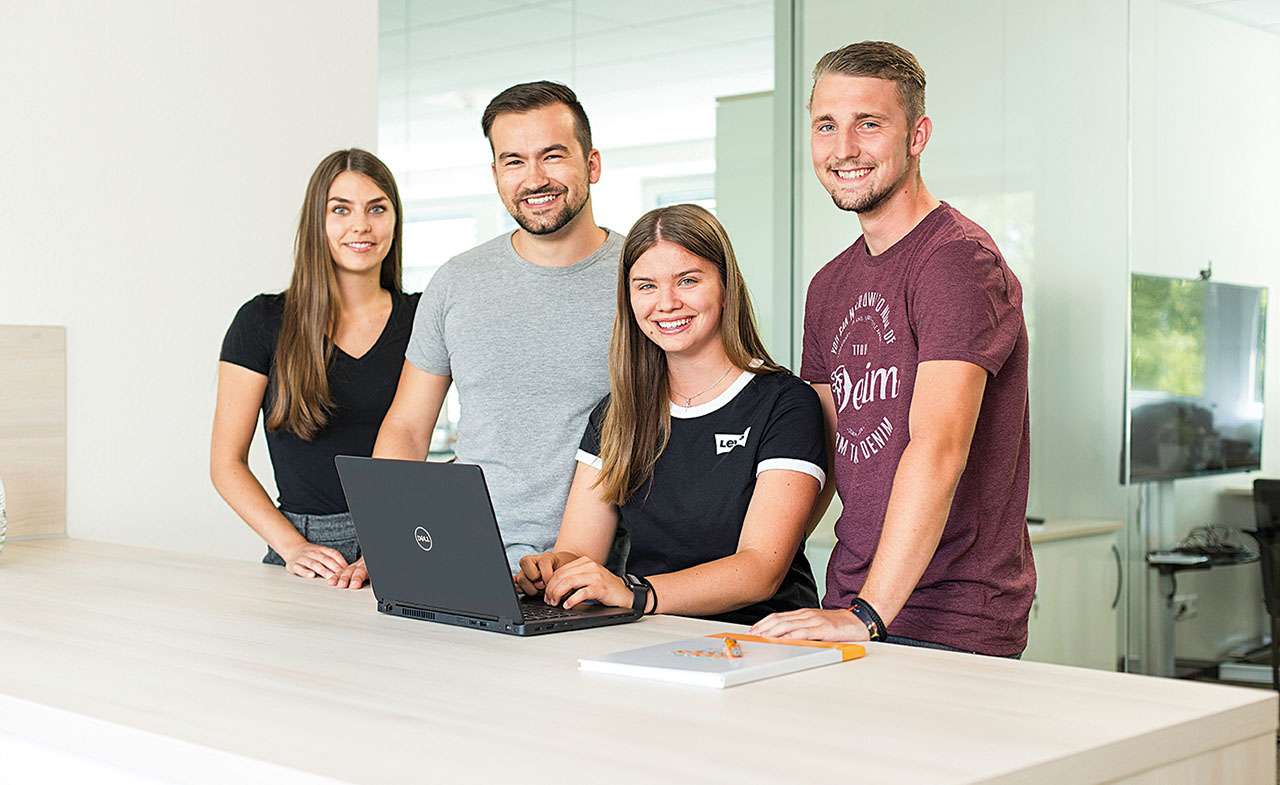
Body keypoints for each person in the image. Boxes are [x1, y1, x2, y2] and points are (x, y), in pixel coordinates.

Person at [750, 41, 1034, 656]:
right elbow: (820, 451)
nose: (843, 148)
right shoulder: (830, 285)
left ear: (917, 134)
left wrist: (869, 614)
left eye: (868, 124)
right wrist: (751, 568)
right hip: (849, 600)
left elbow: (939, 446)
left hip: (952, 617)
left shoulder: (956, 261)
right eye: (826, 125)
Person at [333, 81, 623, 589]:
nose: (534, 178)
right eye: (513, 161)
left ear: (592, 164)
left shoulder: (643, 280)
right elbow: (407, 426)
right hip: (461, 561)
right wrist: (386, 538)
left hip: (598, 574)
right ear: (495, 175)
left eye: (552, 156)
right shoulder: (456, 281)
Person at [515, 204, 826, 625]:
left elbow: (760, 572)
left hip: (765, 639)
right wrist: (556, 571)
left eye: (688, 280)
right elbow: (579, 551)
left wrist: (633, 593)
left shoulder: (786, 403)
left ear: (726, 285)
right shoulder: (614, 415)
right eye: (646, 286)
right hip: (653, 636)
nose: (667, 303)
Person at [212, 149, 418, 586]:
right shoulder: (262, 321)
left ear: (395, 221)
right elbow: (225, 463)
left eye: (377, 209)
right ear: (316, 223)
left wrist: (395, 538)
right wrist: (293, 546)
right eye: (340, 209)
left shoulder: (423, 318)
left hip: (404, 534)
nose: (361, 225)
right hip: (304, 548)